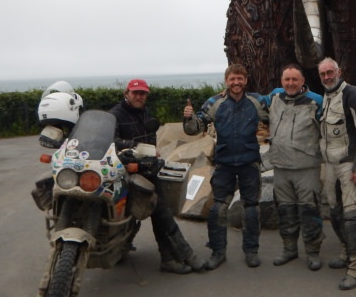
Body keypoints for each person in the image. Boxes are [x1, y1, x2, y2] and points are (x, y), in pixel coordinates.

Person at [109, 78, 204, 275]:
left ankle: (171, 258)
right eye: (135, 93)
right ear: (126, 93)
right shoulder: (115, 115)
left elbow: (150, 139)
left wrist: (151, 152)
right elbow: (111, 140)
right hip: (124, 170)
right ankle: (183, 254)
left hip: (146, 169)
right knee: (159, 211)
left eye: (142, 93)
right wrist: (135, 147)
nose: (139, 96)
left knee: (160, 210)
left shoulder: (145, 113)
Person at [183, 64, 269, 270]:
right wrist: (188, 117)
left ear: (246, 80)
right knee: (217, 209)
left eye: (240, 78)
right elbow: (194, 128)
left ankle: (251, 251)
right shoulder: (215, 102)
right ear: (226, 81)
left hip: (249, 162)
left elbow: (279, 110)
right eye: (232, 79)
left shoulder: (257, 101)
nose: (236, 82)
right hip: (224, 163)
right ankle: (218, 251)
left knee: (251, 209)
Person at [317, 57, 356, 290]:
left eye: (330, 72)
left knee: (352, 217)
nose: (327, 77)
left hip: (348, 165)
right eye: (323, 74)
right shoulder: (326, 97)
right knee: (335, 213)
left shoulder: (353, 95)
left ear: (338, 71)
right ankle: (346, 252)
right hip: (329, 164)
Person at [266, 64, 325, 271]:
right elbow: (250, 101)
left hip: (307, 168)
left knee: (310, 211)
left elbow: (329, 130)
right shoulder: (274, 97)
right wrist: (225, 93)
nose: (290, 83)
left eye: (294, 80)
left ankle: (313, 252)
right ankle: (289, 248)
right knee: (285, 211)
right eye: (286, 80)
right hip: (280, 167)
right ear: (281, 81)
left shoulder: (316, 102)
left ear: (302, 81)